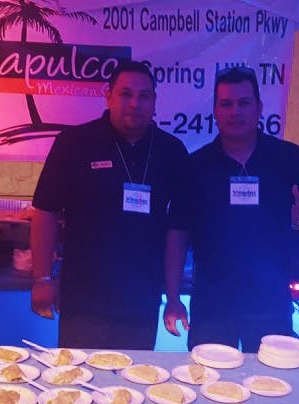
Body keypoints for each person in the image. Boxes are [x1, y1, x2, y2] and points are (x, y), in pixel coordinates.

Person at [163, 66, 299, 352]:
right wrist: (173, 296)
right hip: (211, 307)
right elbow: (177, 234)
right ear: (215, 110)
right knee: (208, 388)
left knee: (272, 388)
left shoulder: (290, 158)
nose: (235, 111)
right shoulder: (195, 166)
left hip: (270, 304)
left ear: (259, 108)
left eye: (244, 103)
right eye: (226, 104)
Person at [30, 61, 190, 350]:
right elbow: (45, 212)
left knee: (133, 387)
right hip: (83, 299)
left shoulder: (172, 151)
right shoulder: (74, 143)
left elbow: (176, 229)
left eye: (144, 96)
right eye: (126, 94)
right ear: (108, 97)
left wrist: (174, 296)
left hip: (141, 301)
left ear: (154, 102)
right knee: (78, 384)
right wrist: (42, 278)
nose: (134, 103)